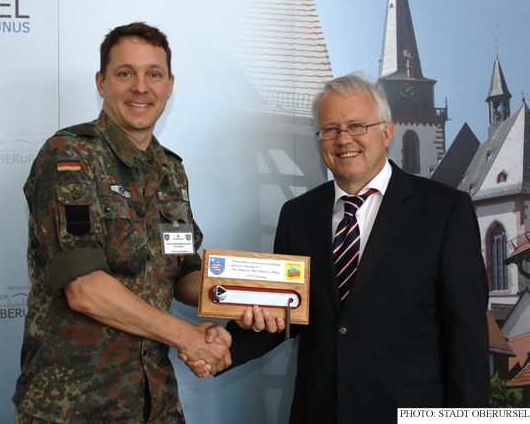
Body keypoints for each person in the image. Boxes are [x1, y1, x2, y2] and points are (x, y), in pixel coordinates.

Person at [188, 73, 490, 423]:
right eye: (329, 129)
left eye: (357, 125)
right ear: (319, 140)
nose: (343, 139)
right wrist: (220, 346)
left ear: (387, 132)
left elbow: (467, 341)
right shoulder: (297, 216)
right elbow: (287, 315)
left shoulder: (445, 211)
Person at [13, 22, 232, 424]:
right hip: (73, 408)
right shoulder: (69, 156)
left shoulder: (171, 171)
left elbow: (181, 268)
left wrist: (243, 296)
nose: (141, 87)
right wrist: (188, 336)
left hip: (156, 403)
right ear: (101, 82)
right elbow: (85, 289)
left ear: (169, 85)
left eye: (154, 74)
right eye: (125, 73)